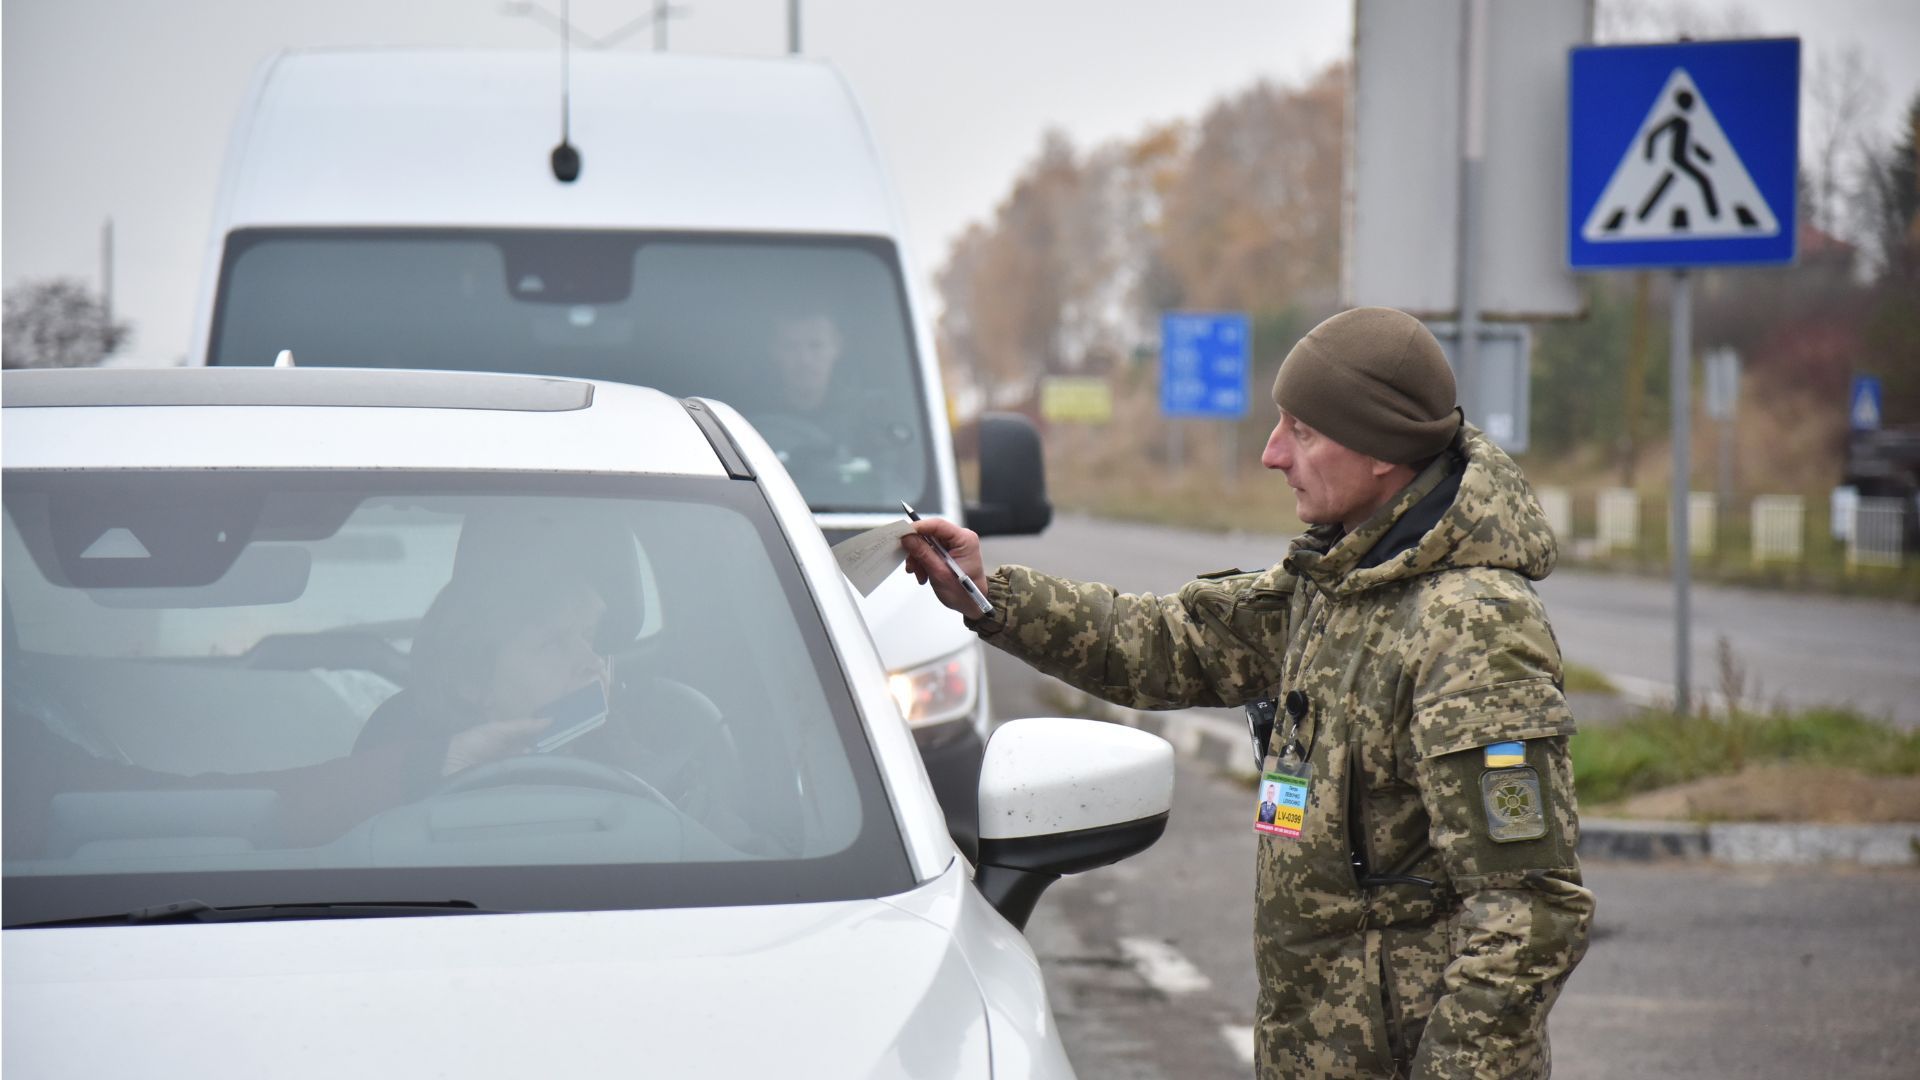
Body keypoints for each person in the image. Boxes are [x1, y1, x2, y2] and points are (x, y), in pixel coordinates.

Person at [903, 307, 1593, 1078]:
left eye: (1301, 430)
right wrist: (988, 592)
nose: (1272, 455)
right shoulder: (1341, 584)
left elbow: (1529, 912)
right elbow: (1168, 644)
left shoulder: (1470, 626)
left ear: (1380, 451)